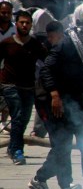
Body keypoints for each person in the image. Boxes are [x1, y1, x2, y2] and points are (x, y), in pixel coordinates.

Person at [30, 18, 83, 189]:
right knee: (62, 147)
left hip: (77, 105)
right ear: (82, 31)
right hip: (56, 105)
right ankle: (64, 187)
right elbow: (46, 70)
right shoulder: (64, 46)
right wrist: (55, 95)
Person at [0, 10, 47, 165]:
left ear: (31, 25)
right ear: (17, 23)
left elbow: (47, 61)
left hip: (28, 87)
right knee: (18, 117)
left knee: (24, 119)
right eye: (22, 22)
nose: (25, 25)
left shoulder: (35, 45)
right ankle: (18, 151)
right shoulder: (7, 43)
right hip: (10, 86)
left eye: (27, 22)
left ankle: (12, 147)